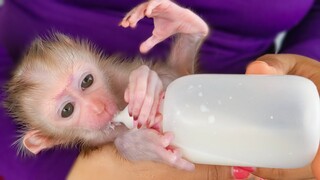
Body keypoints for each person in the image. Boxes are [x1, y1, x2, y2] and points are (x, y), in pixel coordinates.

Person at [0, 0, 319, 179]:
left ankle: (190, 33)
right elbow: (135, 143)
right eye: (67, 110)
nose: (98, 105)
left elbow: (175, 82)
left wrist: (309, 67)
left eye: (86, 81)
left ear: (81, 52)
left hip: (235, 103)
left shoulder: (120, 78)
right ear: (44, 138)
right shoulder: (109, 134)